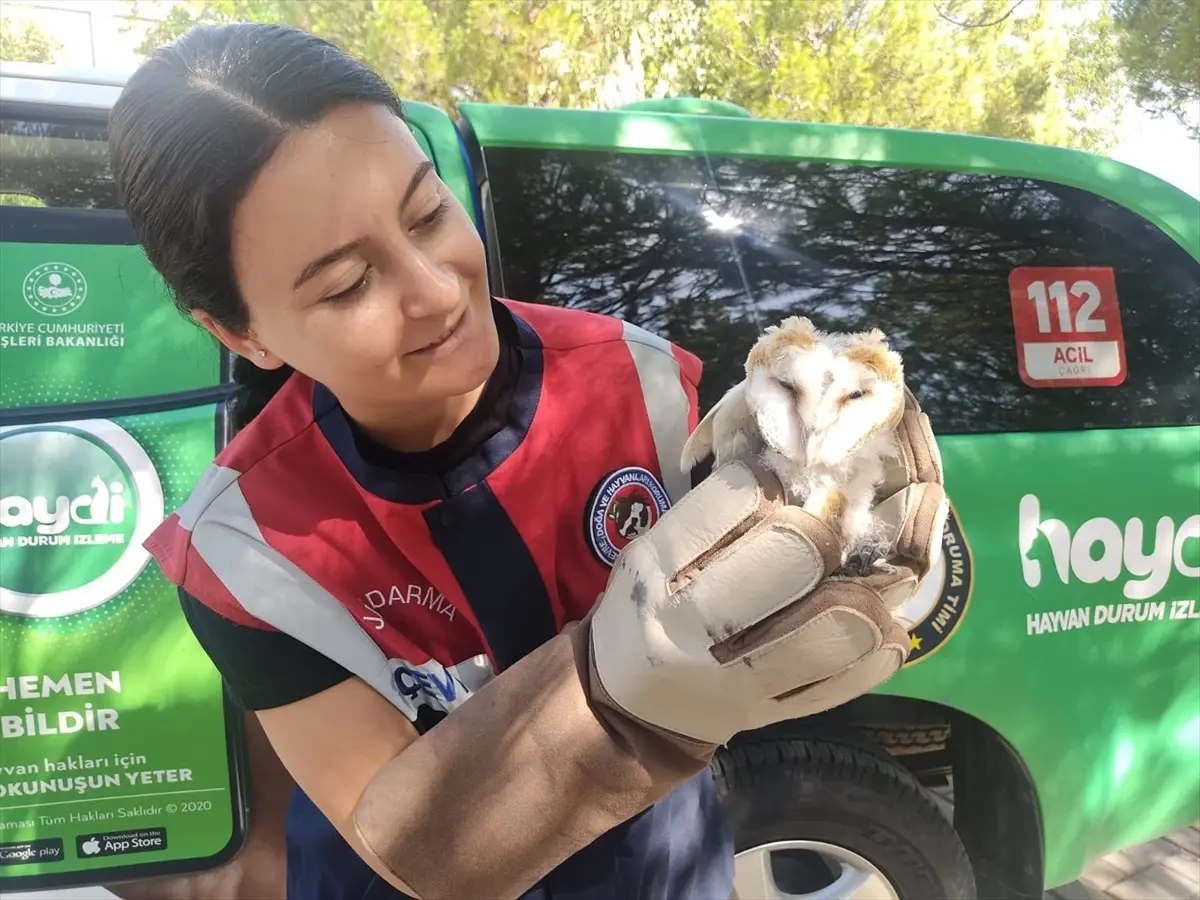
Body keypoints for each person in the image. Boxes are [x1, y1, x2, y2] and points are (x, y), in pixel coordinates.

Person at [100, 22, 948, 900]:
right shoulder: (248, 553)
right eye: (348, 284)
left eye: (428, 213)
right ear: (239, 331)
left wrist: (845, 493)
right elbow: (422, 852)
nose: (434, 290)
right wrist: (623, 693)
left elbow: (809, 577)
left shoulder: (638, 377)